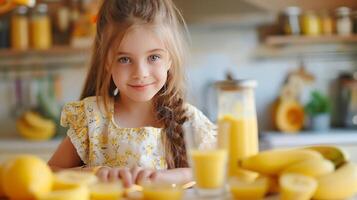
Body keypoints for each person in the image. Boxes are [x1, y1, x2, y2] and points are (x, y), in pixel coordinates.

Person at [48, 0, 216, 188]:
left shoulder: (189, 121)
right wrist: (93, 173)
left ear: (170, 59)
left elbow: (222, 170)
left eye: (154, 57)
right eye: (125, 59)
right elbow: (48, 173)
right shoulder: (91, 119)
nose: (141, 73)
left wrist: (169, 177)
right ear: (106, 61)